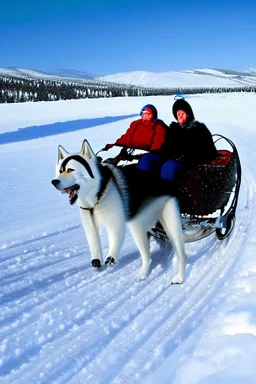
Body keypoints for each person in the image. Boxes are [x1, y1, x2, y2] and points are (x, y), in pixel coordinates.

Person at [159, 98, 217, 178]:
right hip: (170, 161)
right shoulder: (172, 130)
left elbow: (209, 151)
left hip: (190, 165)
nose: (180, 116)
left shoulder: (199, 129)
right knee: (149, 160)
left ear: (188, 114)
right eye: (178, 114)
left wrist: (184, 158)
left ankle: (166, 189)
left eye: (182, 113)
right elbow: (164, 148)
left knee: (169, 166)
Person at [102, 103, 168, 157]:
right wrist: (115, 145)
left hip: (143, 155)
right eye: (144, 114)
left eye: (148, 114)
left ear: (153, 115)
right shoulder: (136, 124)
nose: (145, 116)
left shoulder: (159, 127)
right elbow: (127, 137)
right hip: (128, 152)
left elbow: (157, 145)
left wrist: (150, 155)